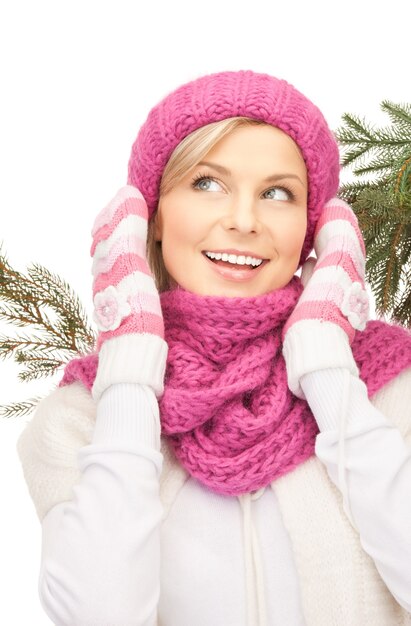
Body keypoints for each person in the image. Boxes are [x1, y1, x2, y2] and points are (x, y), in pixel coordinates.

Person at [16, 70, 411, 626]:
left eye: (278, 193)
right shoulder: (81, 416)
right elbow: (98, 613)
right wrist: (130, 366)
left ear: (312, 229)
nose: (244, 220)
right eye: (207, 183)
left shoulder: (391, 388)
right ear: (151, 218)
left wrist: (325, 360)